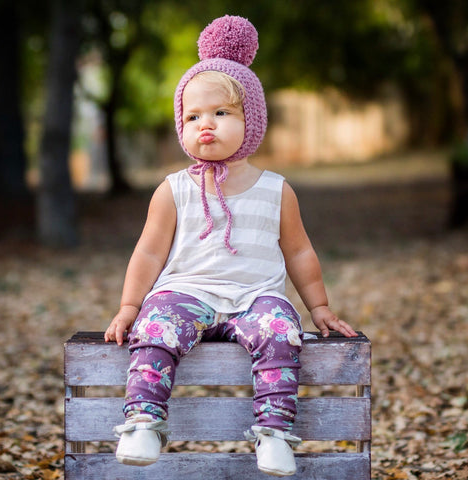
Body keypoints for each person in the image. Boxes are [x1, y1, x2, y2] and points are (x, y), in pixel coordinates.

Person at [104, 15, 357, 477]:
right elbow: (148, 253)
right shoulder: (173, 189)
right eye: (194, 116)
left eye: (222, 113)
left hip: (253, 298)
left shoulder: (275, 189)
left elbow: (299, 252)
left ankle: (274, 432)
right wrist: (128, 305)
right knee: (154, 327)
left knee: (282, 330)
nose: (206, 125)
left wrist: (318, 307)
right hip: (188, 292)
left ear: (252, 120)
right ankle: (143, 421)